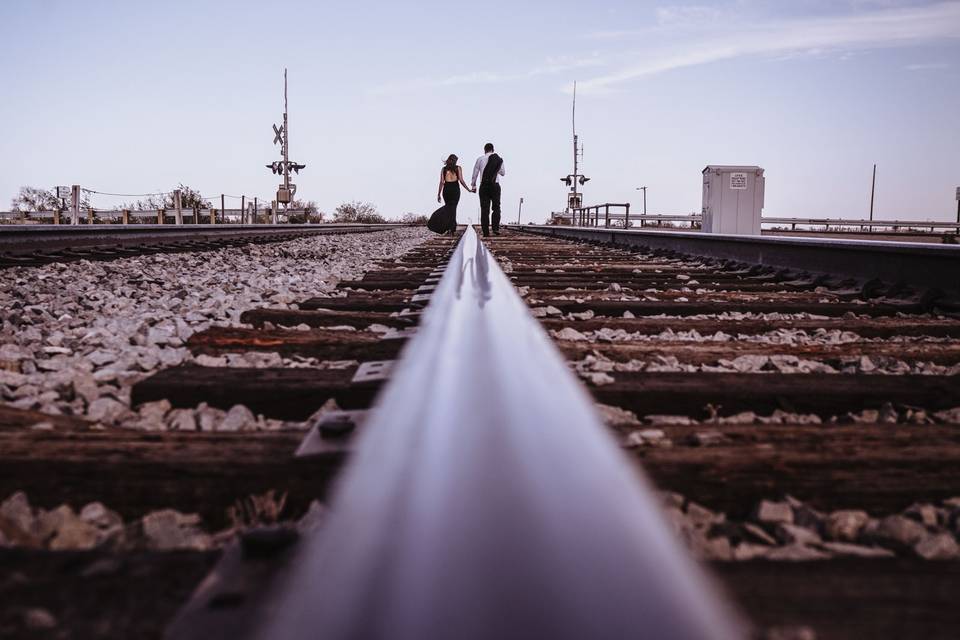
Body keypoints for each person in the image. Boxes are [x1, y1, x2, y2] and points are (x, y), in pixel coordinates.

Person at [471, 142, 505, 236]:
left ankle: (486, 232)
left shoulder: (480, 159)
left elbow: (475, 174)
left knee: (484, 209)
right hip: (495, 185)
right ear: (493, 150)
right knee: (496, 207)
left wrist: (473, 185)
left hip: (484, 186)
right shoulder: (498, 159)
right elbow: (503, 173)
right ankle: (495, 229)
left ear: (484, 150)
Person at [436, 154, 473, 235]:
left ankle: (450, 227)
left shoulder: (444, 169)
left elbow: (442, 182)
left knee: (449, 208)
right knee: (453, 208)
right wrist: (468, 189)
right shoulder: (458, 168)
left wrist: (438, 194)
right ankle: (452, 228)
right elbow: (461, 180)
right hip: (455, 189)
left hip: (446, 189)